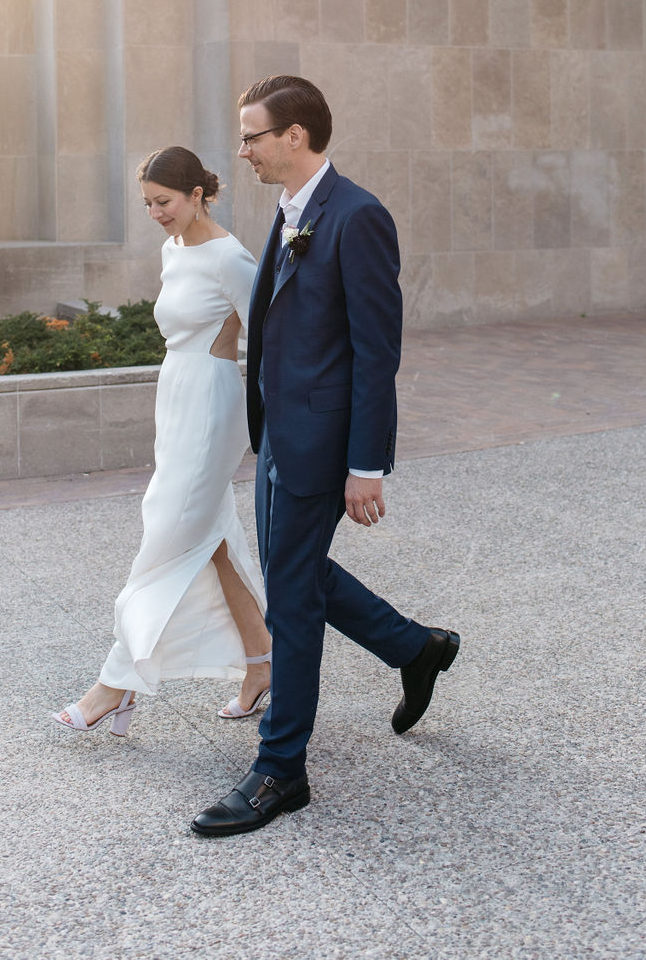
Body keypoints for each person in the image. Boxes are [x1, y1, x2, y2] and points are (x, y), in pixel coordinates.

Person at [191, 77, 460, 837]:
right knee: (293, 572)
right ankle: (417, 648)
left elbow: (378, 351)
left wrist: (366, 465)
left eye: (252, 136)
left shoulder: (359, 216)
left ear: (296, 136)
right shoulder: (287, 212)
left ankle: (281, 769)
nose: (241, 150)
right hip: (279, 432)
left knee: (291, 596)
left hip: (322, 444)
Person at [51, 146, 271, 739]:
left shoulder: (232, 258)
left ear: (198, 194)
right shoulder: (174, 250)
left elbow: (274, 339)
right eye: (147, 203)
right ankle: (262, 662)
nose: (155, 213)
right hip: (174, 397)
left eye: (164, 201)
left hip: (211, 404)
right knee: (211, 537)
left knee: (165, 539)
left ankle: (112, 688)